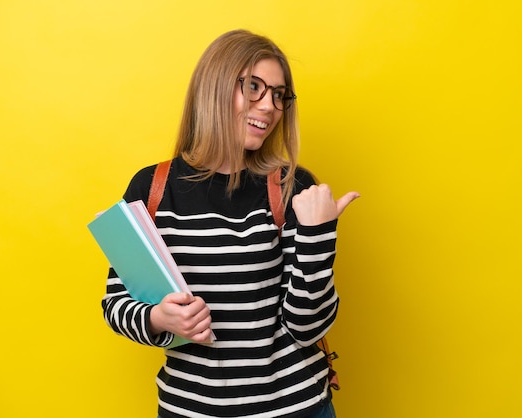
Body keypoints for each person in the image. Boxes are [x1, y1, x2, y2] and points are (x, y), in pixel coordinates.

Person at [101, 29, 359, 418]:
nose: (270, 106)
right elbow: (115, 303)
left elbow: (307, 327)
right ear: (215, 85)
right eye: (253, 87)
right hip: (190, 409)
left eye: (278, 94)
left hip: (296, 408)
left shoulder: (293, 187)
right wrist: (159, 318)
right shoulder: (150, 188)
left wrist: (318, 235)